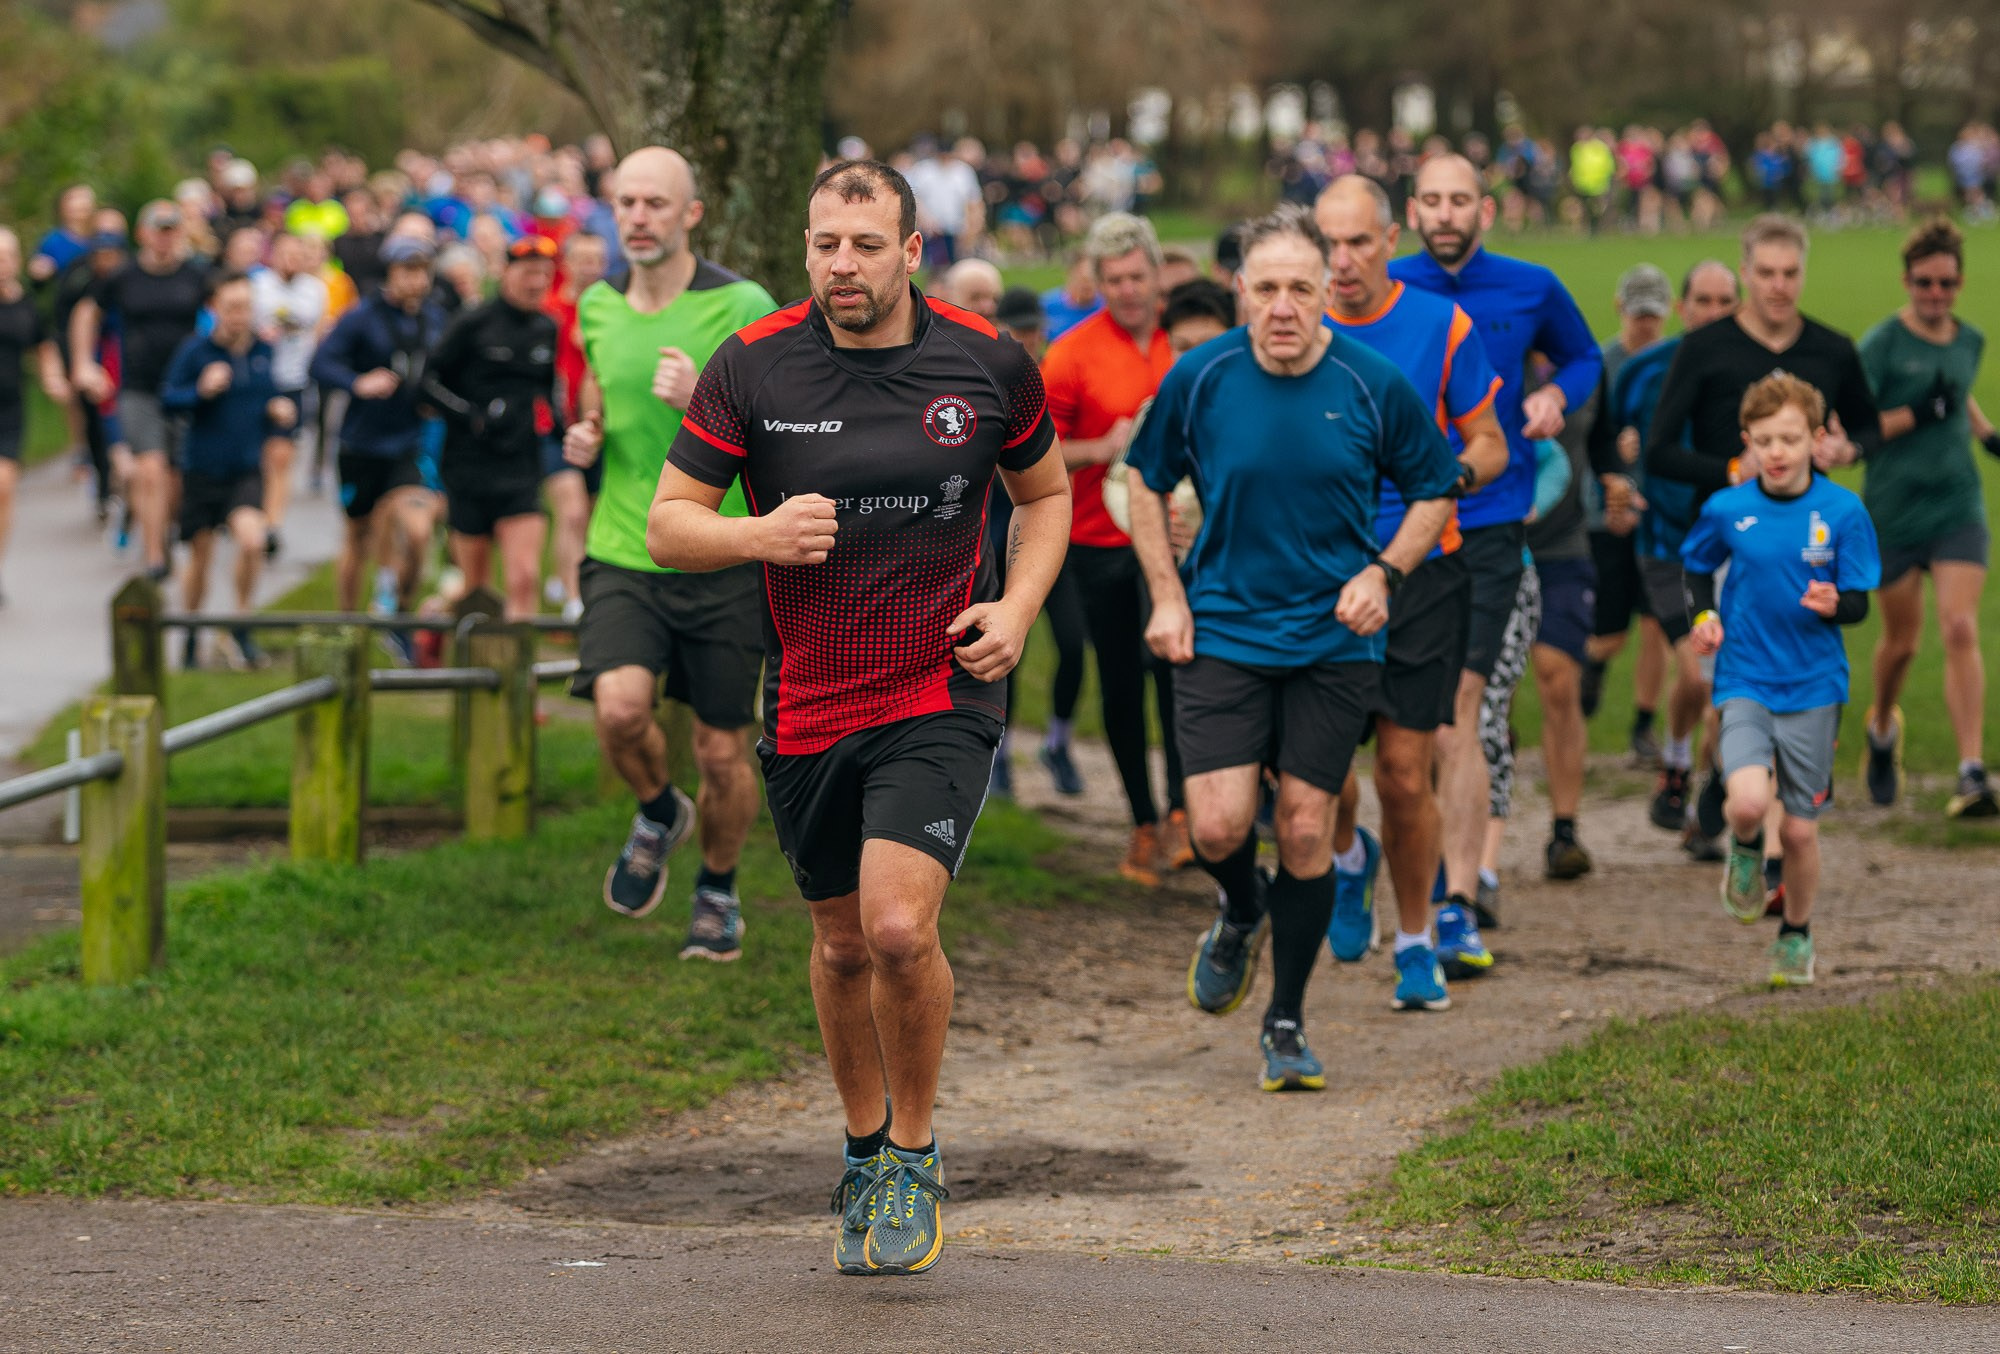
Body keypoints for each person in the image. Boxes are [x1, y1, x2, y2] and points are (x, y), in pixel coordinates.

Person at [649, 159, 1070, 1276]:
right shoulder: (752, 367)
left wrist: (1017, 606)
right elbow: (668, 524)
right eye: (824, 243)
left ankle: (916, 1153)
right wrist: (757, 536)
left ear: (911, 250)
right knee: (838, 946)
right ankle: (861, 1141)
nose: (843, 265)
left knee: (894, 928)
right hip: (809, 694)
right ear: (805, 248)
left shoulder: (984, 362)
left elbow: (1047, 494)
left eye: (865, 245)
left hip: (941, 683)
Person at [1128, 203, 1458, 1090]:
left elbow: (1435, 488)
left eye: (1301, 290)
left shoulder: (1371, 382)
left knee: (1308, 828)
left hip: (1331, 640)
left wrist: (1384, 573)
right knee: (1221, 826)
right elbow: (1141, 477)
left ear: (1327, 295)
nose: (1283, 307)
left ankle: (1286, 1020)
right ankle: (1241, 911)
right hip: (1223, 630)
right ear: (1241, 292)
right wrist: (1168, 595)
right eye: (1266, 288)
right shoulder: (1200, 376)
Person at [559, 147, 777, 954]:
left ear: (691, 214)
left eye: (656, 203)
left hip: (720, 552)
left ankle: (717, 886)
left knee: (722, 751)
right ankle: (657, 809)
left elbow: (787, 432)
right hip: (624, 545)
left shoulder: (742, 303)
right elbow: (599, 397)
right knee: (619, 711)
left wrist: (706, 404)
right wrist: (585, 437)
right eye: (625, 203)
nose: (638, 218)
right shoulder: (597, 306)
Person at [1390, 154, 1602, 970]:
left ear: (1488, 209)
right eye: (1433, 201)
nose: (1446, 214)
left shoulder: (1532, 286)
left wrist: (1557, 396)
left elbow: (1583, 357)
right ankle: (1355, 863)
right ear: (1413, 210)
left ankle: (1459, 896)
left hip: (1490, 518)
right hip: (1396, 519)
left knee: (1465, 708)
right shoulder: (1383, 289)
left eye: (1461, 201)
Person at [1312, 176, 1507, 1010]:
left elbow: (1492, 445)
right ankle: (1351, 857)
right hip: (1319, 567)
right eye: (1329, 244)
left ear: (1392, 237)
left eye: (1359, 242)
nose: (1343, 262)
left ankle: (1419, 939)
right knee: (1319, 772)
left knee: (1403, 769)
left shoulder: (1441, 323)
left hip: (1425, 568)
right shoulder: (1295, 328)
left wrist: (1443, 480)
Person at [1646, 216, 1879, 857]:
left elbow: (1869, 426)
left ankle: (1759, 827)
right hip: (1729, 547)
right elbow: (1660, 451)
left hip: (1808, 543)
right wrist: (1729, 471)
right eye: (1766, 273)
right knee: (1726, 686)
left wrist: (1847, 445)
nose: (1778, 286)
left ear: (1804, 273)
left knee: (1788, 682)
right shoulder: (1705, 348)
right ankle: (1732, 791)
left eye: (1790, 273)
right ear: (1745, 271)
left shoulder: (1831, 351)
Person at [1684, 373, 1879, 987]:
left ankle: (1796, 932)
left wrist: (1834, 603)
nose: (1776, 453)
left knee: (1798, 827)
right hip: (1744, 676)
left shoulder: (1843, 511)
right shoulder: (1727, 508)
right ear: (1746, 441)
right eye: (1764, 440)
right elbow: (1695, 570)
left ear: (1817, 440)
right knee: (1747, 800)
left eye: (1790, 439)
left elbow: (1859, 602)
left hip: (1816, 686)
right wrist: (1705, 616)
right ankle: (1744, 846)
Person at [1041, 212, 1190, 885]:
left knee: (1182, 675)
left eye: (1137, 276)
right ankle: (1142, 820)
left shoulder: (1184, 338)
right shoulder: (1070, 353)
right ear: (1094, 282)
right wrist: (1100, 449)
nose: (1128, 291)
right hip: (1101, 541)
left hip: (1185, 537)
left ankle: (1189, 812)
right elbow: (1035, 455)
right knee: (1124, 683)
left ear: (1157, 274)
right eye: (1113, 280)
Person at [1856, 218, 1998, 818]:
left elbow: (1956, 388)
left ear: (1960, 283)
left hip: (1956, 504)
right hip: (1892, 510)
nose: (1935, 294)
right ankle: (1882, 728)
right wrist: (1916, 412)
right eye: (1924, 283)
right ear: (1906, 280)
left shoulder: (1971, 340)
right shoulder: (1881, 344)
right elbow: (1857, 431)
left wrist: (1986, 432)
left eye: (1945, 284)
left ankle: (1971, 771)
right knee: (1901, 645)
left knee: (1961, 626)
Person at [1595, 261, 1742, 824]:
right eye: (1701, 301)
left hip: (1738, 544)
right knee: (1697, 674)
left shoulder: (1753, 371)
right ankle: (1679, 763)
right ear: (1682, 308)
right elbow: (1606, 437)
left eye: (1724, 301)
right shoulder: (1645, 370)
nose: (1711, 313)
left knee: (1727, 686)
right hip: (1667, 543)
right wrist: (1619, 475)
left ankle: (1706, 795)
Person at [310, 235, 447, 632]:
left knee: (419, 531)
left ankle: (400, 616)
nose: (416, 280)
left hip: (410, 441)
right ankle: (349, 625)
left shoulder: (434, 317)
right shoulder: (361, 317)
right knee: (359, 537)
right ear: (390, 272)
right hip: (362, 443)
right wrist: (357, 383)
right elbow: (320, 363)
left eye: (422, 271)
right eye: (407, 271)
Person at [158, 272, 294, 669]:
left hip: (245, 470)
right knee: (200, 558)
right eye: (232, 307)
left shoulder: (262, 352)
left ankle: (240, 624)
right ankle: (192, 629)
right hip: (202, 470)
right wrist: (200, 391)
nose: (240, 315)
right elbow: (169, 400)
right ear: (214, 309)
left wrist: (279, 411)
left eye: (246, 307)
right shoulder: (196, 352)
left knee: (252, 541)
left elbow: (270, 399)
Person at [422, 234, 561, 620]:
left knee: (524, 577)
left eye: (544, 275)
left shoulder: (547, 328)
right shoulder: (472, 322)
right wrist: (471, 416)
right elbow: (428, 381)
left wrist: (562, 427)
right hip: (469, 468)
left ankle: (519, 676)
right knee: (475, 589)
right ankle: (436, 624)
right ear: (505, 272)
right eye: (528, 273)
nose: (536, 283)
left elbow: (549, 392)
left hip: (520, 466)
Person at [70, 200, 210, 580]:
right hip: (139, 389)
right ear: (143, 233)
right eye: (158, 229)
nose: (165, 238)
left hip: (184, 389)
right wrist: (84, 363)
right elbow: (86, 313)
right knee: (150, 471)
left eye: (172, 229)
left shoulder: (195, 275)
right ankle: (154, 558)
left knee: (176, 480)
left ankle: (163, 534)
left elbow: (225, 307)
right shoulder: (124, 276)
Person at [0, 228, 71, 606]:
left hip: (9, 408)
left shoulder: (25, 305)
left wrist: (53, 379)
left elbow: (42, 347)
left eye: (7, 257)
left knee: (3, 486)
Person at [542, 230, 610, 621]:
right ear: (567, 263)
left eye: (596, 260)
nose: (589, 268)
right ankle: (574, 599)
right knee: (572, 512)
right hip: (555, 425)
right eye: (582, 259)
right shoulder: (550, 310)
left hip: (601, 424)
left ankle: (561, 574)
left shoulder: (613, 311)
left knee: (589, 510)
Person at [250, 231, 328, 557]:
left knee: (282, 455)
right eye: (285, 253)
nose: (291, 260)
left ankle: (272, 525)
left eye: (298, 254)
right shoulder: (257, 287)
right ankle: (252, 511)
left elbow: (317, 330)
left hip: (295, 381)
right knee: (260, 455)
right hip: (259, 380)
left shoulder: (314, 290)